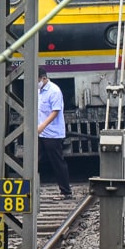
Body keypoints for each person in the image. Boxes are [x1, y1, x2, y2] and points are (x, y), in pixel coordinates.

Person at [38, 67, 72, 200]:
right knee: (33, 161)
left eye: (38, 80)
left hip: (53, 134)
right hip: (40, 133)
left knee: (57, 162)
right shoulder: (38, 91)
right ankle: (29, 190)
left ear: (44, 78)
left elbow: (55, 111)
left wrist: (43, 125)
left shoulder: (54, 91)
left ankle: (66, 191)